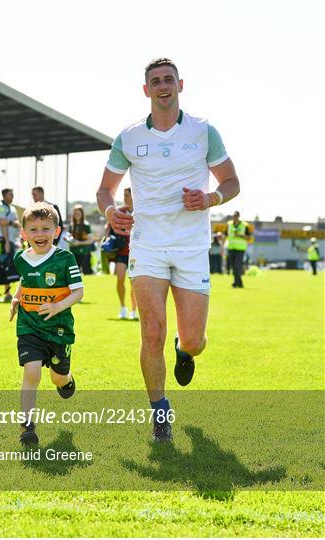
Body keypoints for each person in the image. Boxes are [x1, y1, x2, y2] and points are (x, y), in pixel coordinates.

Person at [96, 57, 240, 442]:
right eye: (155, 81)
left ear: (181, 85)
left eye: (169, 80)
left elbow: (231, 183)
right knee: (151, 333)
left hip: (192, 247)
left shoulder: (203, 131)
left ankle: (185, 349)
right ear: (146, 90)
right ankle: (160, 412)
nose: (163, 86)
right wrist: (111, 211)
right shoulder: (128, 137)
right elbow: (104, 190)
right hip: (148, 246)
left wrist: (209, 198)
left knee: (194, 340)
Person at [9, 202, 83, 445]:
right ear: (24, 234)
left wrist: (57, 307)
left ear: (57, 231)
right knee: (31, 373)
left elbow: (78, 292)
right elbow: (24, 280)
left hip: (58, 329)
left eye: (45, 229)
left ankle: (67, 379)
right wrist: (16, 297)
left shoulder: (65, 258)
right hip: (29, 326)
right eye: (33, 229)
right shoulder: (20, 258)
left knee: (57, 378)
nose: (39, 235)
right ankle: (27, 426)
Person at [105, 187, 138, 319]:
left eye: (127, 195)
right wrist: (107, 238)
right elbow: (108, 226)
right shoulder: (120, 210)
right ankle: (123, 307)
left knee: (133, 282)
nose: (125, 198)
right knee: (120, 279)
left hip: (136, 252)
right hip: (121, 251)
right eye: (124, 195)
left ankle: (134, 311)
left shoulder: (141, 210)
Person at [0, 188, 21, 302]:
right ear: (4, 195)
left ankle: (7, 293)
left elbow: (16, 222)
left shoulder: (12, 208)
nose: (12, 197)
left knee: (7, 267)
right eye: (10, 195)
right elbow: (2, 223)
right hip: (1, 240)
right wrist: (7, 242)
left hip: (10, 240)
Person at [67, 205, 94, 274]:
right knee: (73, 273)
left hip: (84, 252)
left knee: (87, 272)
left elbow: (91, 240)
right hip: (73, 251)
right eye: (75, 213)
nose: (77, 215)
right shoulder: (71, 225)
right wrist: (68, 239)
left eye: (78, 213)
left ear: (82, 214)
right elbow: (69, 237)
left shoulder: (86, 225)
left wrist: (79, 243)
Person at [226, 211, 250, 288]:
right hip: (231, 248)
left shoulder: (244, 225)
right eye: (233, 216)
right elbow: (225, 235)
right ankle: (240, 283)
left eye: (236, 216)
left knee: (237, 266)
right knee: (233, 267)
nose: (235, 218)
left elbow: (249, 237)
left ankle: (235, 283)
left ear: (239, 216)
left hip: (240, 249)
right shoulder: (229, 224)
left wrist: (240, 235)